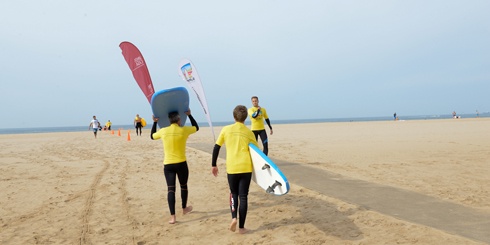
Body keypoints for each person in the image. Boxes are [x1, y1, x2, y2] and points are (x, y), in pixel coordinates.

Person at [212, 105, 259, 234]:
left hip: (232, 167)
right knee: (243, 196)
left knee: (233, 193)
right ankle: (242, 227)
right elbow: (257, 152)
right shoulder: (249, 132)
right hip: (245, 167)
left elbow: (216, 147)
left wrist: (214, 164)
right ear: (245, 118)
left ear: (234, 117)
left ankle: (234, 218)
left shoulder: (226, 129)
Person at [151, 109, 199, 224]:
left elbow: (152, 136)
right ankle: (184, 208)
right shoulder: (184, 130)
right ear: (178, 120)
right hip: (181, 163)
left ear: (169, 120)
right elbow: (196, 127)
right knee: (183, 186)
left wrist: (154, 122)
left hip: (168, 164)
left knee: (171, 189)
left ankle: (173, 217)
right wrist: (190, 115)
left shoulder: (163, 131)